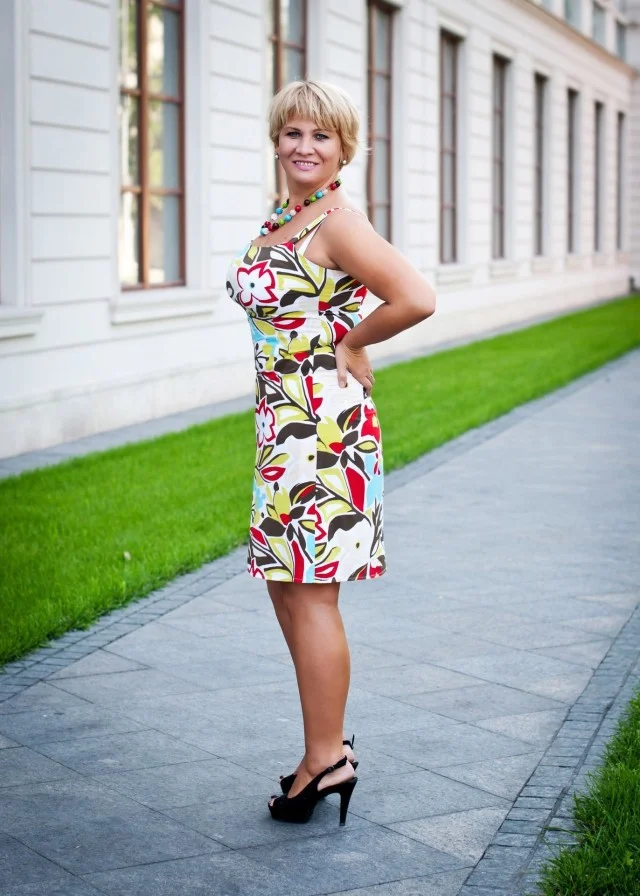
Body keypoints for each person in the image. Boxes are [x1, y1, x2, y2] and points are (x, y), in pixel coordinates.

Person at [226, 79, 435, 826]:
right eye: (293, 133)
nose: (305, 146)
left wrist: (351, 341)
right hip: (283, 426)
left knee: (311, 593)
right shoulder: (286, 216)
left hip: (321, 429)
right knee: (286, 587)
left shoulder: (338, 222)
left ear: (346, 148)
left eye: (321, 135)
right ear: (276, 140)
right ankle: (324, 744)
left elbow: (415, 296)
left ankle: (327, 760)